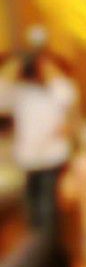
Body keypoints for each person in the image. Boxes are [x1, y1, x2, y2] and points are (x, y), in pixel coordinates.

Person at [0, 26, 79, 238]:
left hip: (52, 160)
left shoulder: (56, 91)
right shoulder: (20, 93)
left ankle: (48, 244)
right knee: (32, 210)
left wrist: (48, 68)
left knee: (48, 210)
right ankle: (39, 243)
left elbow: (68, 96)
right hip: (29, 160)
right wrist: (13, 67)